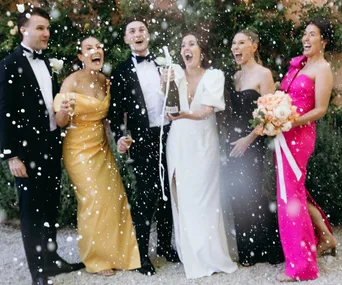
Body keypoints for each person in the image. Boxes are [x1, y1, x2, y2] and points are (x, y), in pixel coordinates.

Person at [0, 7, 84, 285]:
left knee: (49, 206)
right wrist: (11, 155)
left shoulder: (48, 63)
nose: (46, 33)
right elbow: (4, 110)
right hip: (26, 151)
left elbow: (50, 104)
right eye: (40, 28)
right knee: (31, 211)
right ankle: (38, 271)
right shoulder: (9, 64)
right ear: (24, 29)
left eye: (47, 28)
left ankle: (52, 259)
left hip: (51, 146)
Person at [53, 36, 141, 276]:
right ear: (81, 57)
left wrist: (120, 140)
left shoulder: (104, 80)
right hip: (78, 151)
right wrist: (63, 111)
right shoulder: (71, 82)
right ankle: (96, 259)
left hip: (102, 148)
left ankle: (119, 254)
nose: (95, 51)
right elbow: (60, 122)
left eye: (98, 47)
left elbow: (108, 118)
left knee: (113, 199)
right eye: (88, 48)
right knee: (92, 201)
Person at [162, 32, 238, 279]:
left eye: (192, 44)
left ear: (201, 50)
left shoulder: (214, 76)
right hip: (179, 141)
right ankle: (190, 254)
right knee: (182, 197)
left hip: (204, 142)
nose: (187, 48)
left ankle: (211, 254)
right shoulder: (174, 72)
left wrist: (184, 114)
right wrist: (166, 82)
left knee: (205, 198)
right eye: (183, 45)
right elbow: (165, 106)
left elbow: (206, 111)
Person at [108, 16, 179, 276]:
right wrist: (120, 137)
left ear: (148, 35)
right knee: (146, 196)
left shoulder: (165, 64)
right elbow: (115, 113)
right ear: (126, 38)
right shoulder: (121, 71)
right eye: (132, 31)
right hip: (141, 139)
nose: (137, 34)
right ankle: (141, 254)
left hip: (170, 134)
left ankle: (164, 245)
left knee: (168, 192)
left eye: (142, 30)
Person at [275, 19, 337, 282]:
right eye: (305, 33)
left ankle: (301, 265)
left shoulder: (322, 68)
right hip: (284, 133)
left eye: (313, 34)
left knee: (291, 197)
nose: (306, 38)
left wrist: (290, 121)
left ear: (323, 40)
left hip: (299, 136)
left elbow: (320, 110)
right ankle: (325, 237)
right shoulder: (299, 63)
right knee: (294, 191)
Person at [225, 29, 284, 266]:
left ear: (254, 46)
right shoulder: (235, 76)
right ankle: (246, 251)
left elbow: (268, 115)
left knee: (254, 193)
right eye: (233, 43)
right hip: (232, 141)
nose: (235, 48)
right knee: (237, 195)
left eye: (241, 43)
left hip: (253, 142)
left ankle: (266, 248)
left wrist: (248, 139)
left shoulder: (264, 74)